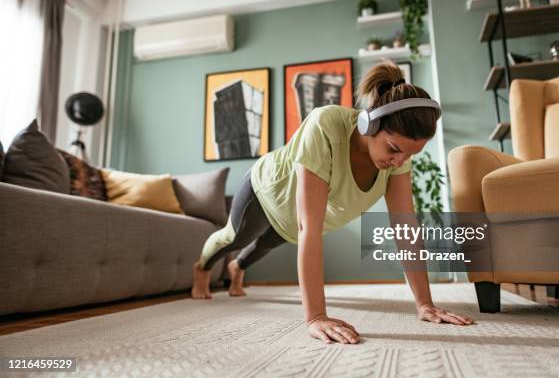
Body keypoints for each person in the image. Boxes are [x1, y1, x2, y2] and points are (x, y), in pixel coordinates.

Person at [191, 60, 474, 344]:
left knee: (263, 246)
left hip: (292, 222)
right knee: (236, 237)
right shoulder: (325, 125)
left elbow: (405, 231)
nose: (399, 162)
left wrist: (424, 303)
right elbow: (308, 227)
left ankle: (237, 269)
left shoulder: (397, 161)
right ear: (369, 123)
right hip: (267, 192)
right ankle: (202, 269)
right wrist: (316, 316)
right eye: (393, 149)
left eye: (409, 155)